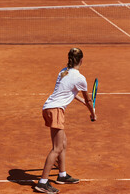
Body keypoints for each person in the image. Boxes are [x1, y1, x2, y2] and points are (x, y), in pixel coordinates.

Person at [35, 48, 97, 194]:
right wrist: (93, 113)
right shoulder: (80, 78)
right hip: (56, 110)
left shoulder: (63, 72)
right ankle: (42, 182)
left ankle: (62, 175)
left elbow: (70, 91)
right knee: (57, 148)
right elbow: (89, 100)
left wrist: (83, 102)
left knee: (63, 143)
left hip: (48, 108)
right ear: (81, 60)